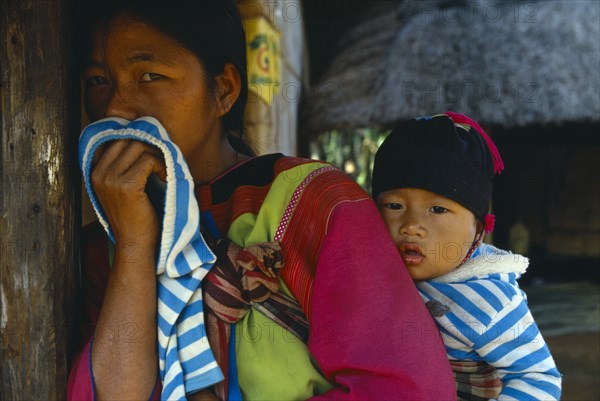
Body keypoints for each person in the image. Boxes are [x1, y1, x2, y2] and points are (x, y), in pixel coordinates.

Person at [66, 1, 456, 400]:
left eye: (150, 76)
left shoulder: (311, 203)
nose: (114, 107)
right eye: (97, 81)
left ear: (224, 89)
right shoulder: (104, 246)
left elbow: (406, 388)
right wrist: (133, 246)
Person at [372, 112, 562, 401]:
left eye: (437, 209)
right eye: (394, 205)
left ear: (478, 230)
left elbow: (538, 378)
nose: (411, 225)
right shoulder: (373, 274)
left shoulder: (491, 302)